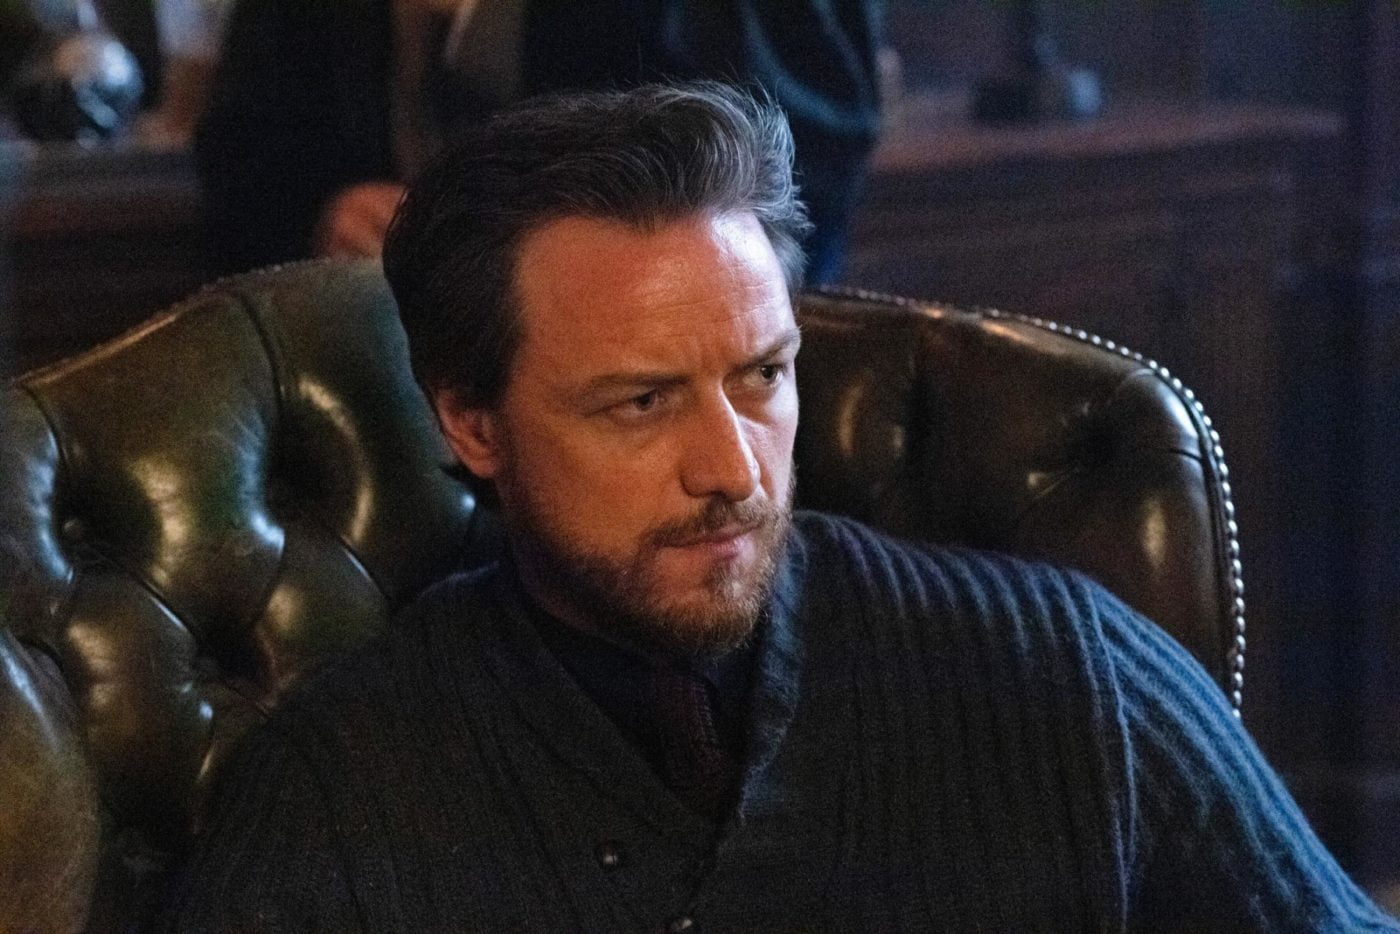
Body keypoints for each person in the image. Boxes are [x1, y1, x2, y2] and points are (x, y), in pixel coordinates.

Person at [161, 82, 1399, 932]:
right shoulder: (343, 791)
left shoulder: (1065, 674)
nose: (732, 469)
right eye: (641, 402)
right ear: (472, 424)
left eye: (761, 377)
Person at [194, 0, 883, 285]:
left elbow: (813, 131)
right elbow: (242, 139)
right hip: (377, 357)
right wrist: (324, 210)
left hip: (653, 342)